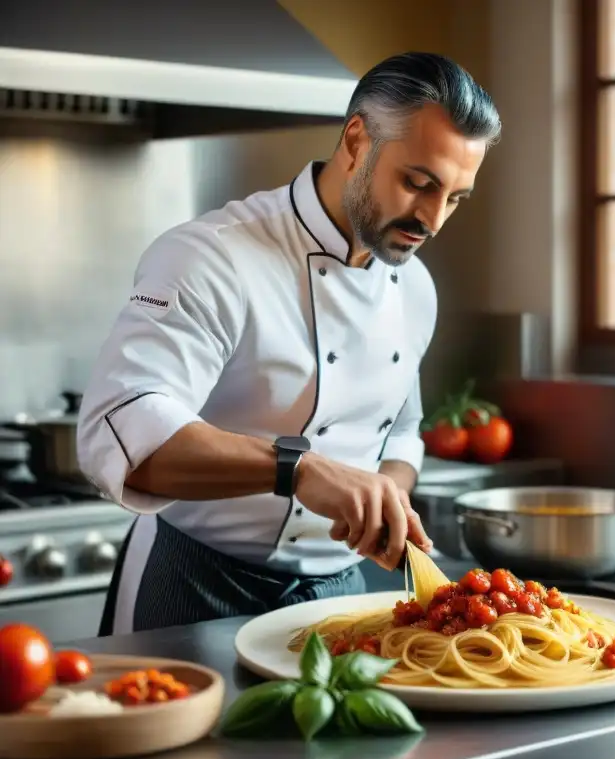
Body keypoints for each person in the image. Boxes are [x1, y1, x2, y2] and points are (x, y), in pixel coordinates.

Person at [76, 52, 501, 635]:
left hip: (337, 601)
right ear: (357, 141)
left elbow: (401, 431)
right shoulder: (213, 256)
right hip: (194, 584)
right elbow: (119, 433)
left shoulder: (415, 289)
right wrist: (297, 470)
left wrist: (384, 502)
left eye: (454, 197)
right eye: (417, 183)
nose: (432, 218)